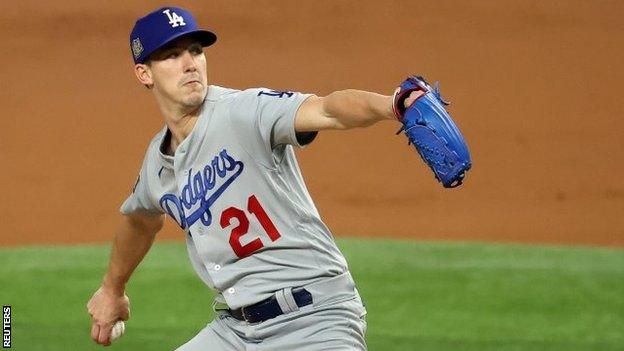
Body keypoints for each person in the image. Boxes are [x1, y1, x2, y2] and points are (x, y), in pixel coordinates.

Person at [87, 6, 423, 350]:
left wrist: (393, 104)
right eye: (172, 55)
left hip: (315, 319)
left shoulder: (244, 110)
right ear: (145, 74)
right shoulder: (157, 164)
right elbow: (140, 220)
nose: (190, 63)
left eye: (196, 51)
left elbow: (326, 109)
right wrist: (112, 289)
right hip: (235, 332)